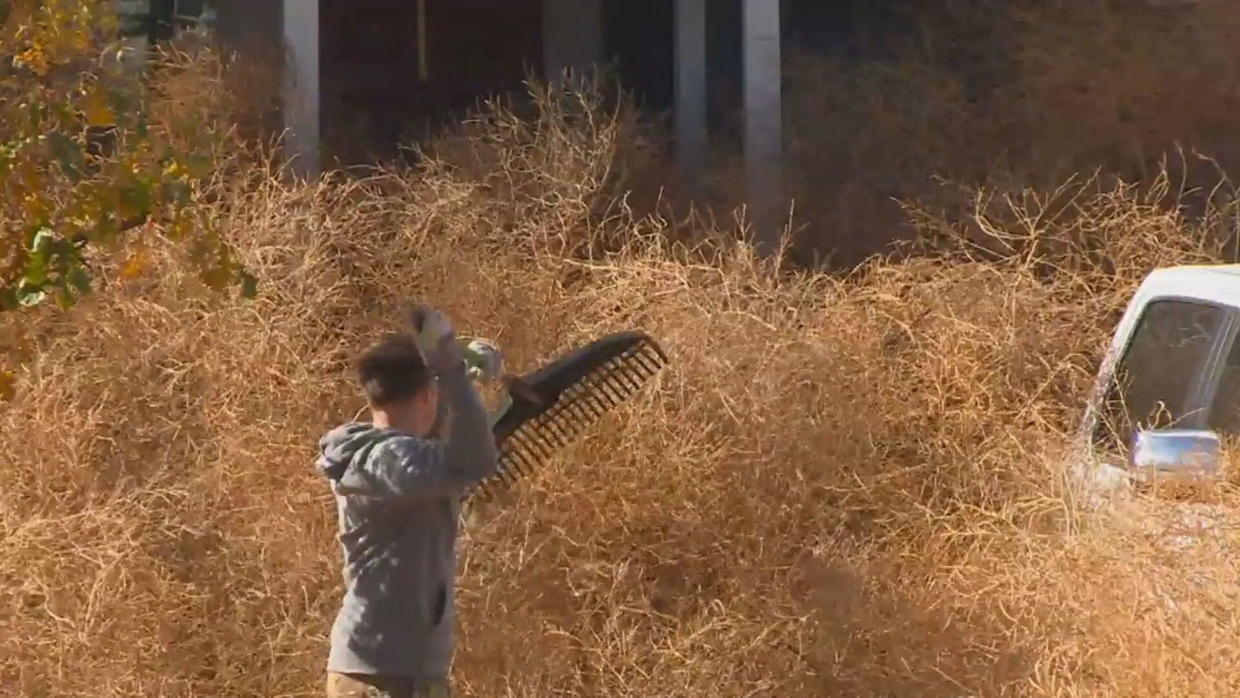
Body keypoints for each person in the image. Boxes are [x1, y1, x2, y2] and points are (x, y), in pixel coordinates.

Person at [316, 309, 499, 698]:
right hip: (380, 678)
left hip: (404, 673)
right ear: (429, 392)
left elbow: (447, 446)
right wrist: (452, 369)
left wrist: (459, 374)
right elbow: (473, 459)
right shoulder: (388, 460)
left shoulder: (391, 458)